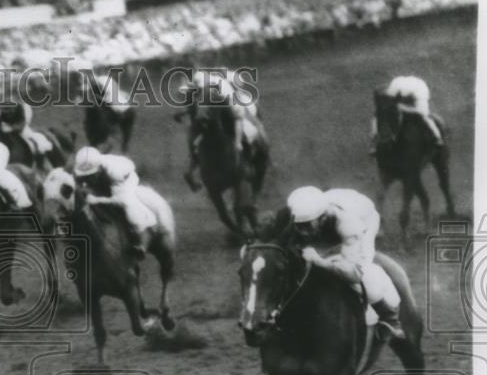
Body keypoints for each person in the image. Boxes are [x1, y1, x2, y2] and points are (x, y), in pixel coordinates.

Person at [283, 186, 404, 341]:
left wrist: (320, 261)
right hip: (338, 206)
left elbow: (354, 274)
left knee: (364, 272)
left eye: (307, 226)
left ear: (322, 218)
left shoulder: (348, 225)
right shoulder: (302, 214)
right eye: (299, 227)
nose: (303, 232)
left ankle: (390, 318)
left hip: (365, 219)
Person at [182, 69, 259, 191]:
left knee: (249, 132)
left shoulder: (223, 89)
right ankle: (192, 169)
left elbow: (237, 116)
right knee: (193, 138)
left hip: (230, 113)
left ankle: (247, 165)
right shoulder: (198, 90)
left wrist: (238, 141)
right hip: (211, 119)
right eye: (199, 89)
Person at [72, 146, 156, 258]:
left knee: (130, 207)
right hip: (106, 179)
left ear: (100, 169)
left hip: (125, 181)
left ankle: (142, 242)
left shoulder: (115, 172)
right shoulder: (82, 167)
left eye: (91, 176)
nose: (86, 181)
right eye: (84, 177)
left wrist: (96, 199)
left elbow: (119, 200)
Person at [376, 75, 444, 148]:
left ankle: (437, 138)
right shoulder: (394, 87)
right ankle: (375, 141)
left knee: (424, 116)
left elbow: (419, 111)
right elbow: (390, 102)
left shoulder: (420, 90)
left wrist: (402, 107)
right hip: (404, 92)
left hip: (419, 93)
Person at [0, 101, 54, 166]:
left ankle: (41, 165)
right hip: (9, 127)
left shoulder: (23, 108)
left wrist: (16, 125)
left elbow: (23, 122)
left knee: (39, 143)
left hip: (21, 128)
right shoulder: (3, 114)